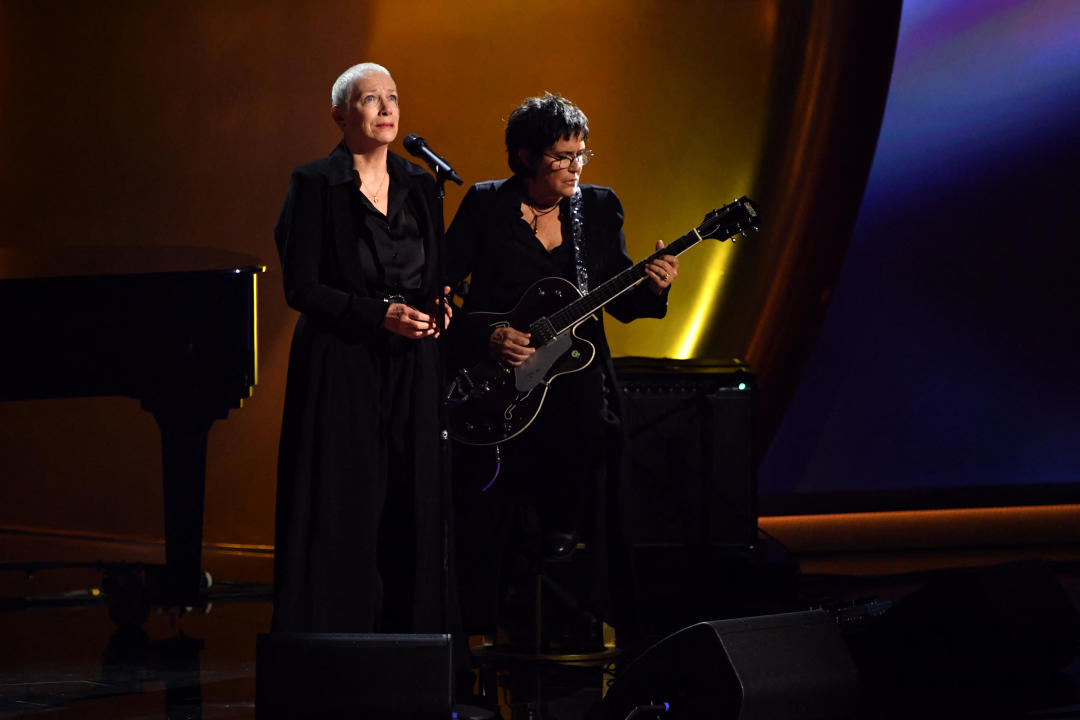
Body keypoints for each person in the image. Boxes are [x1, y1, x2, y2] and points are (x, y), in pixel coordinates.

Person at [444, 93, 679, 650]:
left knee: (575, 519)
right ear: (525, 157)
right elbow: (444, 293)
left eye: (581, 154)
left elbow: (619, 297)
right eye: (561, 157)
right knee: (495, 515)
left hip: (574, 394)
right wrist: (488, 335)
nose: (576, 167)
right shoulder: (484, 206)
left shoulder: (598, 209)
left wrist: (654, 286)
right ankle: (483, 632)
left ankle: (573, 630)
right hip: (501, 394)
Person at [272, 62, 454, 635]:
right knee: (342, 502)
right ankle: (336, 646)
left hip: (414, 362)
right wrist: (379, 315)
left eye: (393, 97)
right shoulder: (313, 184)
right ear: (339, 114)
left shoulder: (421, 184)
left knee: (413, 500)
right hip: (341, 361)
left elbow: (438, 274)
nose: (386, 107)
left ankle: (415, 646)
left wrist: (443, 306)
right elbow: (301, 287)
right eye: (370, 98)